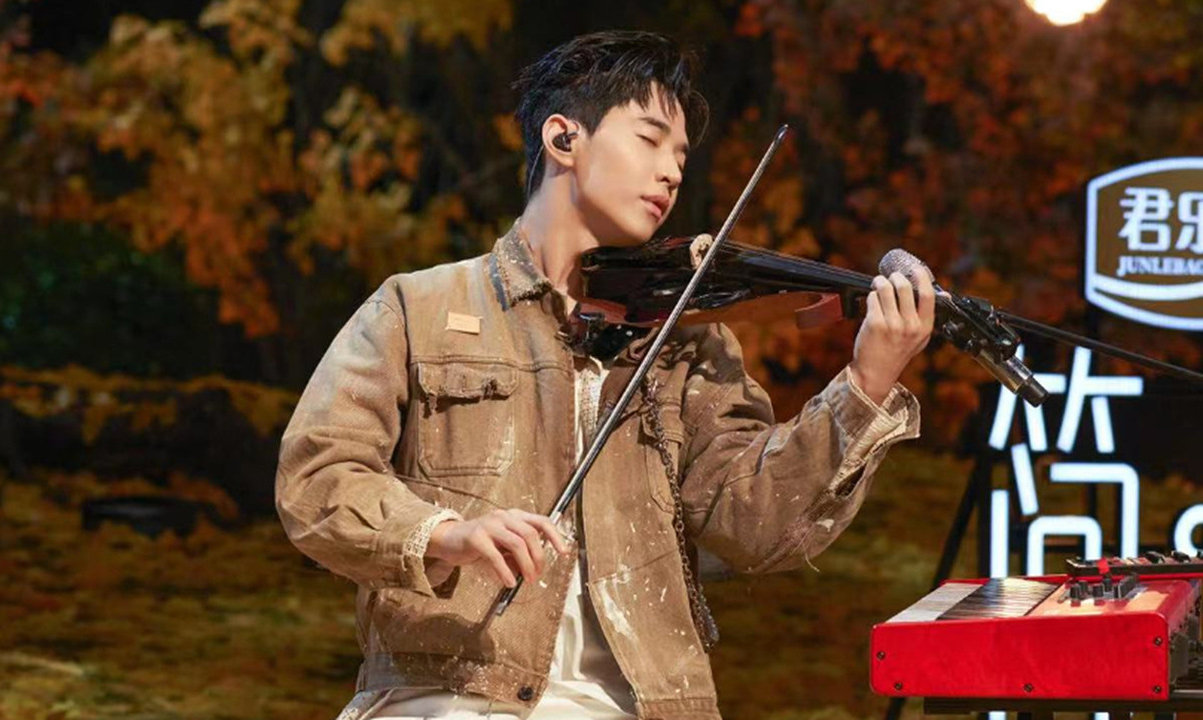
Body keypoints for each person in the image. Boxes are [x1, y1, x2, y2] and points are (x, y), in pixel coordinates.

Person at [275, 30, 935, 720]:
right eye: (650, 140)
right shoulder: (420, 306)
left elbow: (756, 528)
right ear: (563, 138)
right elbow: (318, 477)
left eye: (681, 156)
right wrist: (445, 534)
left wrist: (866, 384)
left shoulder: (686, 344)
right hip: (447, 695)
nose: (671, 172)